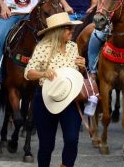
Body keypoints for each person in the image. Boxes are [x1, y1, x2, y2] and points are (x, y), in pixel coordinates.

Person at [24, 12, 85, 167]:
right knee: (46, 144)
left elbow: (77, 74)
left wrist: (83, 67)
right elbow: (28, 73)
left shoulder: (73, 46)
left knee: (72, 139)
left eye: (72, 28)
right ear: (57, 31)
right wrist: (43, 73)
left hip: (71, 97)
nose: (72, 31)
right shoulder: (43, 47)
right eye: (68, 29)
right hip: (46, 98)